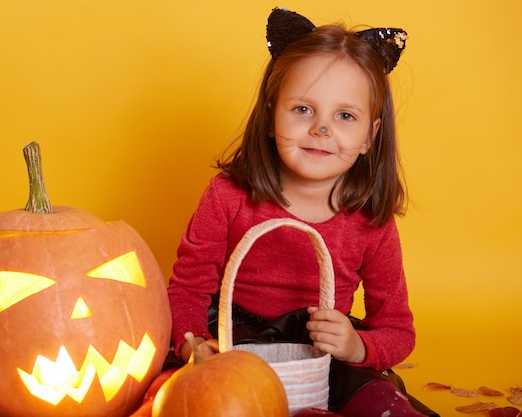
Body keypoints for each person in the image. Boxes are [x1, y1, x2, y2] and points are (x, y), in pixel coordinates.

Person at [166, 7, 438, 417]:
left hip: (322, 354)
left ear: (370, 136)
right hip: (233, 343)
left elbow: (398, 330)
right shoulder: (228, 195)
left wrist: (357, 345)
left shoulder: (371, 222)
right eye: (303, 109)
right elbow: (187, 288)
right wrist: (193, 342)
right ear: (272, 116)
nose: (321, 129)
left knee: (380, 399)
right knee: (183, 396)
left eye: (345, 116)